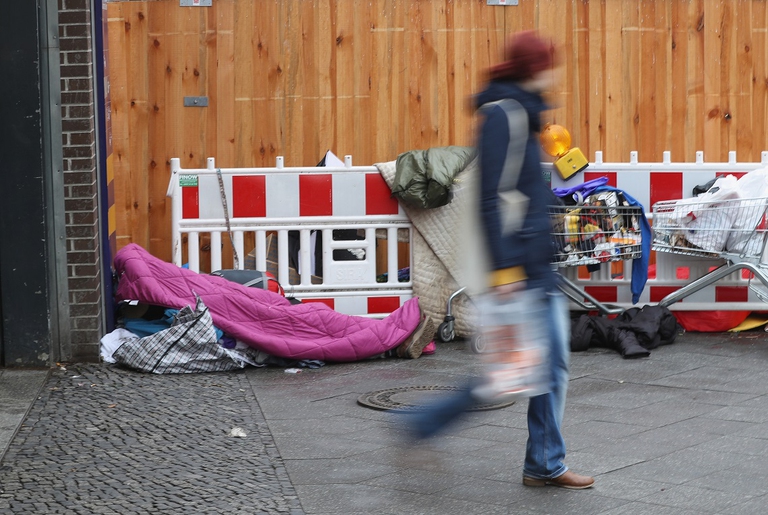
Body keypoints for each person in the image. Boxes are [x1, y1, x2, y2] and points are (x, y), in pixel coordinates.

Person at [403, 30, 594, 490]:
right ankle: (423, 426)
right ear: (535, 67)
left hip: (532, 266)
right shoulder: (504, 116)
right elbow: (490, 198)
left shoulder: (523, 115)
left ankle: (544, 462)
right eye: (550, 62)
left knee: (547, 367)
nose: (556, 70)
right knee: (508, 375)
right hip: (518, 272)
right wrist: (506, 271)